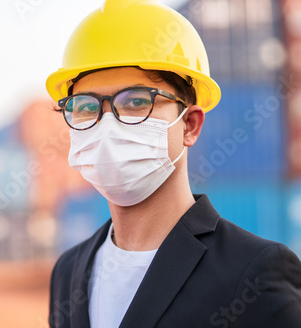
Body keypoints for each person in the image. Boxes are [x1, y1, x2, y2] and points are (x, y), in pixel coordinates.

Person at [44, 0, 301, 327]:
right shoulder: (67, 271)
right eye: (85, 106)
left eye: (136, 101)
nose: (106, 125)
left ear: (190, 125)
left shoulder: (256, 272)